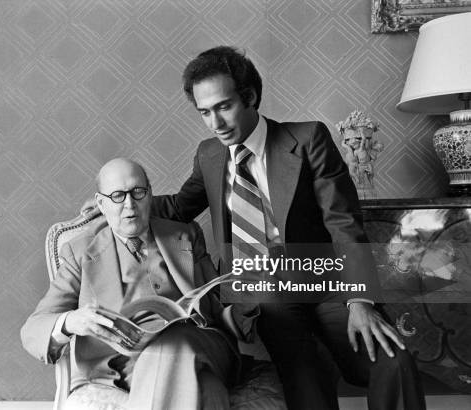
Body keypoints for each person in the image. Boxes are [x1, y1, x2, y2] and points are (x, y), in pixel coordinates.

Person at [147, 46, 426, 410]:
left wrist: (360, 300)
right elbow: (179, 206)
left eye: (224, 106)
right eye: (204, 112)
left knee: (394, 360)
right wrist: (118, 199)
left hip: (324, 283)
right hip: (260, 291)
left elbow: (343, 223)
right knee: (306, 373)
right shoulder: (209, 155)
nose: (215, 123)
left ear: (250, 97)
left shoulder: (308, 140)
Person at [21, 158, 245, 410]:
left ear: (149, 195)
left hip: (199, 346)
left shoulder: (186, 234)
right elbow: (32, 329)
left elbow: (217, 304)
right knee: (209, 390)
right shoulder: (80, 251)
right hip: (120, 366)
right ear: (101, 203)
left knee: (174, 343)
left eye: (138, 192)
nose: (130, 205)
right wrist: (71, 321)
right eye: (117, 195)